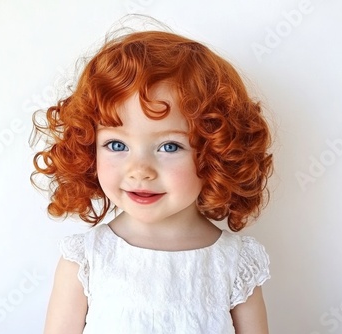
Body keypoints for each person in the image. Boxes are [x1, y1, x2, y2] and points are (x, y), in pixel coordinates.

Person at [32, 25, 273, 334]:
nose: (140, 170)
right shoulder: (87, 260)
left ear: (215, 154)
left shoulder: (235, 265)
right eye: (117, 145)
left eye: (169, 146)